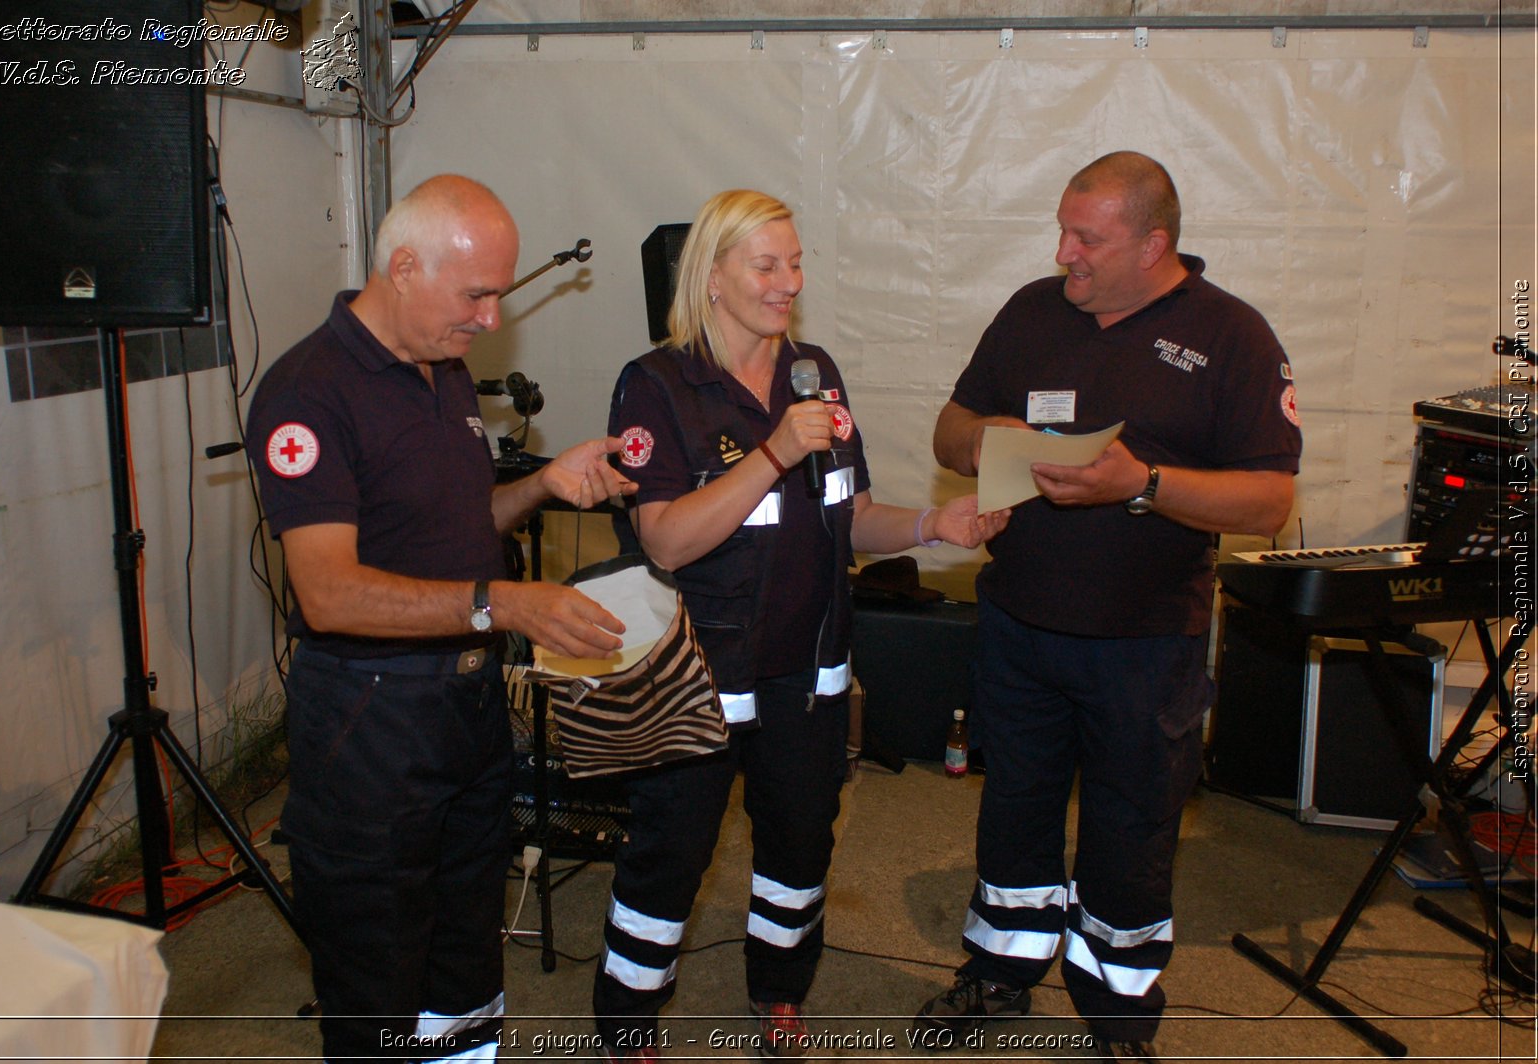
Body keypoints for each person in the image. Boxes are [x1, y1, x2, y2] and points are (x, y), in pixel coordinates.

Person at [596, 189, 1010, 1060]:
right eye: (767, 265)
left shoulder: (813, 372)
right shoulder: (658, 384)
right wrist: (773, 453)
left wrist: (935, 525)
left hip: (807, 675)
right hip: (700, 673)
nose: (790, 281)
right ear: (712, 277)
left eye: (796, 261)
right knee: (669, 858)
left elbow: (847, 515)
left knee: (798, 848)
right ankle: (628, 1025)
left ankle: (779, 992)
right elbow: (667, 538)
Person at [912, 152, 1302, 1063]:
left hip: (1146, 643)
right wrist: (989, 437)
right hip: (1017, 623)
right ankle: (1000, 972)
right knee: (1015, 803)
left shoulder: (1231, 337)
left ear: (1154, 244)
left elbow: (1267, 503)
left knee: (1132, 827)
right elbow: (948, 428)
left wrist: (1144, 483)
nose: (1064, 252)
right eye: (1061, 230)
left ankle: (1118, 1013)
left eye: (1087, 238)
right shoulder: (1032, 310)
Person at [245, 175, 636, 1062]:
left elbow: (450, 536)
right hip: (370, 722)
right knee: (379, 970)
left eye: (497, 293)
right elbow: (329, 592)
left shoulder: (444, 368)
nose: (492, 318)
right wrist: (503, 601)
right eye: (477, 294)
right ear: (404, 265)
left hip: (464, 709)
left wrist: (541, 485)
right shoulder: (310, 390)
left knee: (465, 958)